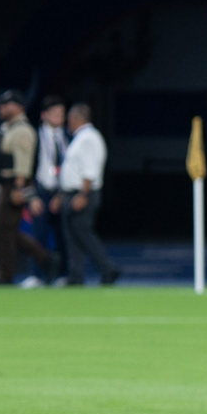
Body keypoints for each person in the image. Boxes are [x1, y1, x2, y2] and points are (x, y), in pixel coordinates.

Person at [0, 90, 51, 285]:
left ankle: (9, 273)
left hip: (15, 184)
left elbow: (23, 163)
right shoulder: (7, 128)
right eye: (1, 104)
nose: (2, 108)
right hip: (5, 183)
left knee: (7, 230)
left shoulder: (22, 130)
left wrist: (18, 188)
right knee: (6, 230)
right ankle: (7, 271)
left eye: (7, 104)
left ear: (19, 107)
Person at [57, 102, 121, 284]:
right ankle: (76, 275)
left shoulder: (88, 138)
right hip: (74, 193)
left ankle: (108, 268)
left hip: (83, 193)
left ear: (76, 118)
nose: (68, 122)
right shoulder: (82, 137)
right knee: (73, 235)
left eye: (69, 118)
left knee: (83, 232)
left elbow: (89, 170)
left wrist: (82, 195)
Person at [32, 97, 70, 282]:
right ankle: (37, 275)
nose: (59, 117)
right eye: (54, 113)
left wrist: (62, 194)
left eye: (62, 114)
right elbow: (28, 167)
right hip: (41, 190)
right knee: (38, 236)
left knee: (63, 235)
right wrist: (31, 196)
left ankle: (63, 275)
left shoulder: (68, 136)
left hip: (61, 191)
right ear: (44, 115)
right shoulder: (35, 136)